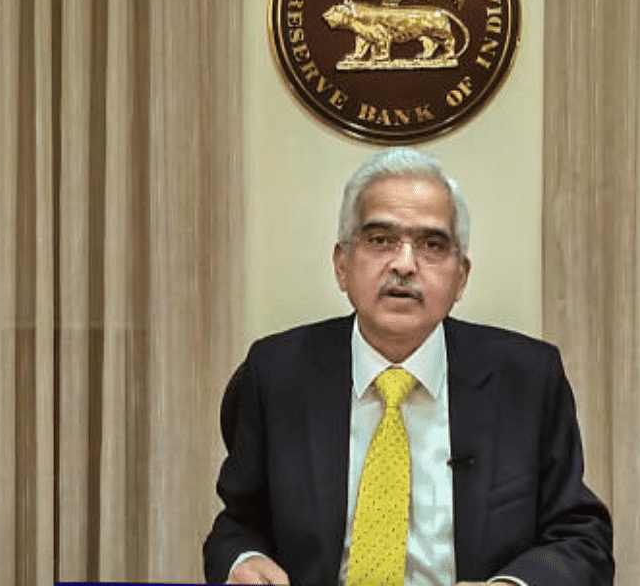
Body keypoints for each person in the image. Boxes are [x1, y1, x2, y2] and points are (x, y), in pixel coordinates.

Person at [203, 148, 613, 586]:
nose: (403, 264)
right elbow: (237, 524)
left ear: (461, 277)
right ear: (342, 265)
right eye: (380, 240)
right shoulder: (278, 373)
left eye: (431, 245)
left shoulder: (527, 379)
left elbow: (581, 540)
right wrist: (241, 558)